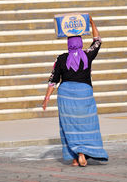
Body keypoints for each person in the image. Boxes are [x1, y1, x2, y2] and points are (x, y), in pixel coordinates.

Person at [42, 16, 108, 167]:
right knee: (86, 124)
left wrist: (46, 98)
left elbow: (53, 79)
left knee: (69, 125)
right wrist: (92, 23)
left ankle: (75, 157)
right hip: (84, 94)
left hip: (66, 94)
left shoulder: (61, 58)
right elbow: (97, 40)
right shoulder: (87, 55)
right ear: (80, 43)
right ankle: (82, 152)